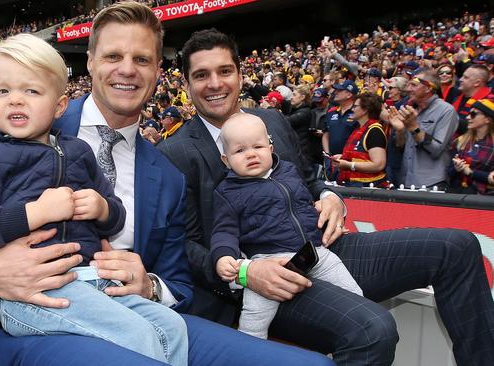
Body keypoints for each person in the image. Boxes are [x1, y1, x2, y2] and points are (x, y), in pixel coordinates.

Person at [0, 3, 333, 366]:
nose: (126, 69)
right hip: (27, 320)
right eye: (113, 55)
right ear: (90, 62)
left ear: (158, 71)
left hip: (131, 308)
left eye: (141, 59)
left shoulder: (168, 174)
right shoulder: (20, 119)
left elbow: (178, 284)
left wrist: (149, 285)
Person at [159, 28, 494, 366]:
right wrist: (246, 273)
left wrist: (332, 197)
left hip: (322, 249)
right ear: (186, 84)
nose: (215, 83)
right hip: (265, 281)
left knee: (458, 247)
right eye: (202, 75)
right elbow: (183, 245)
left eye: (224, 71)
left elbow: (309, 181)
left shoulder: (271, 121)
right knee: (372, 329)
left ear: (240, 74)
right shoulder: (174, 152)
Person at [0, 33, 187, 365]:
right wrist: (35, 212)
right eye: (2, 91)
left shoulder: (78, 150)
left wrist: (102, 208)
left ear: (59, 105)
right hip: (31, 293)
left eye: (31, 91)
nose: (15, 100)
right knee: (138, 337)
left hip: (92, 281)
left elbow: (116, 215)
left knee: (173, 327)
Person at [211, 113, 362, 340]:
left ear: (270, 147)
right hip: (268, 264)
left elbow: (303, 207)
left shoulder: (289, 171)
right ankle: (246, 355)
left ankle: (351, 343)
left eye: (258, 146)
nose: (251, 154)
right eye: (240, 151)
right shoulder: (227, 192)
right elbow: (224, 231)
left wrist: (323, 218)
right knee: (254, 322)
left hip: (315, 252)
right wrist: (223, 256)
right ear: (226, 160)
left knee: (355, 300)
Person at [388, 68, 459, 189]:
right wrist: (400, 131)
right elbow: (401, 146)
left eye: (414, 85)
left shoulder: (446, 111)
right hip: (406, 180)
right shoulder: (411, 110)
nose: (408, 89)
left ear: (428, 88)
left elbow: (436, 149)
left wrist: (414, 127)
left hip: (431, 183)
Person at [332, 93, 388, 188]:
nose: (352, 109)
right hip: (354, 185)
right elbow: (362, 155)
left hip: (368, 187)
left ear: (365, 110)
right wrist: (343, 157)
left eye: (355, 106)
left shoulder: (374, 131)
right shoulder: (359, 129)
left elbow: (379, 164)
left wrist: (349, 165)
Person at [448, 99, 494, 195]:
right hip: (456, 194)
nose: (468, 117)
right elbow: (449, 172)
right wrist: (457, 169)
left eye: (473, 114)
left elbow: (491, 178)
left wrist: (470, 172)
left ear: (487, 119)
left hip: (484, 199)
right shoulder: (460, 141)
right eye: (469, 113)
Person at [322, 80, 359, 181]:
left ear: (349, 94)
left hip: (350, 160)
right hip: (331, 159)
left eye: (340, 90)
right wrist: (327, 154)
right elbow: (326, 133)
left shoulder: (357, 112)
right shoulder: (331, 111)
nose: (336, 92)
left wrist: (347, 155)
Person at [453, 64, 494, 134]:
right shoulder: (457, 96)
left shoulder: (489, 103)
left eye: (465, 77)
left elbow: (477, 130)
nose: (460, 79)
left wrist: (448, 117)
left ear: (477, 83)